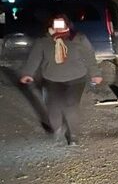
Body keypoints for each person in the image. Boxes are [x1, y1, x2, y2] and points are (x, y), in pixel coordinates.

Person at [19, 14, 102, 145]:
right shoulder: (43, 41)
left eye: (61, 24)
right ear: (50, 26)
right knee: (54, 107)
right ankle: (57, 130)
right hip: (52, 79)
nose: (58, 27)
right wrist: (28, 73)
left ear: (67, 24)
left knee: (71, 106)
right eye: (55, 24)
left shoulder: (78, 38)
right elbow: (34, 59)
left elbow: (90, 56)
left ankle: (73, 135)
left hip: (76, 78)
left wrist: (95, 73)